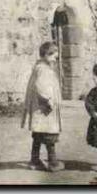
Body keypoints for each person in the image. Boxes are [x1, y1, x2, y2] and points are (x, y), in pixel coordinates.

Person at [21, 41, 63, 172]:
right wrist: (48, 100)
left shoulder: (39, 67)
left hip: (39, 108)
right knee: (49, 134)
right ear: (46, 54)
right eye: (53, 56)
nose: (55, 59)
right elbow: (41, 86)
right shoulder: (44, 69)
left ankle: (34, 161)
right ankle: (53, 162)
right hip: (45, 108)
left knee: (38, 134)